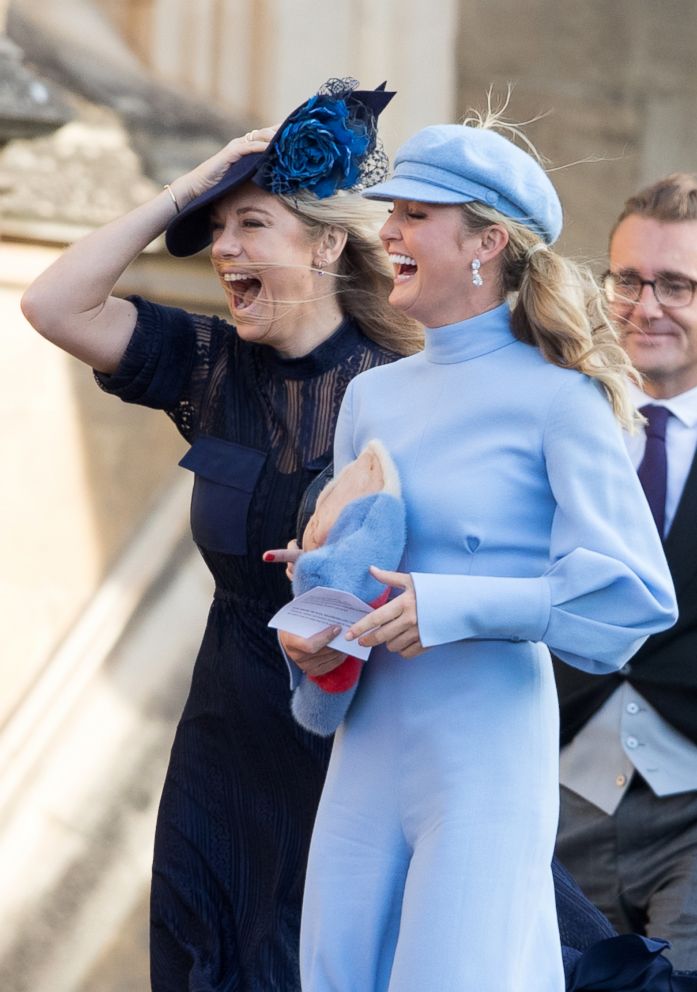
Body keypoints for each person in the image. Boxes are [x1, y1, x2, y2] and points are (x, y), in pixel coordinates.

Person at [20, 78, 422, 992]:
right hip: (225, 738)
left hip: (354, 739)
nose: (223, 251)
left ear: (325, 244)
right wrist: (186, 190)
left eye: (251, 226)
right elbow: (53, 305)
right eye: (215, 234)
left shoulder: (403, 391)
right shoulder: (210, 367)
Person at [277, 114, 678, 992]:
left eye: (415, 214)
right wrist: (312, 639)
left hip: (484, 747)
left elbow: (635, 594)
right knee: (337, 973)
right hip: (369, 743)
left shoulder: (561, 399)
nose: (387, 233)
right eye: (391, 214)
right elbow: (352, 580)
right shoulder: (370, 398)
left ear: (485, 243)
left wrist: (453, 605)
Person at [554, 173, 697, 971]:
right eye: (629, 280)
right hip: (560, 789)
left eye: (675, 284)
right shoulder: (554, 419)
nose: (646, 306)